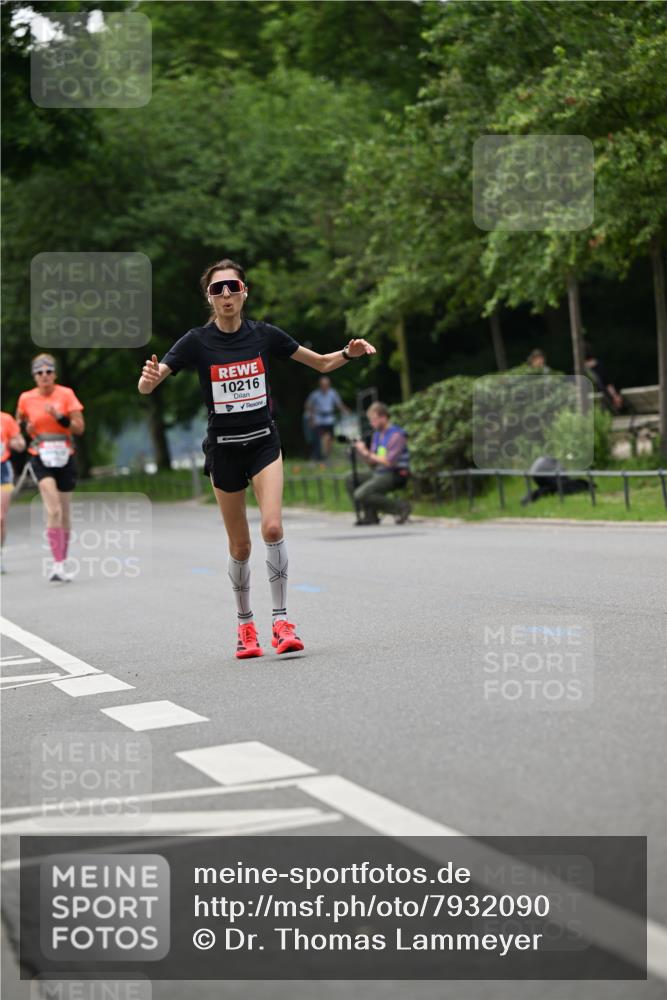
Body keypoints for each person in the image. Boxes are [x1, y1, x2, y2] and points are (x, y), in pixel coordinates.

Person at [138, 257, 375, 660]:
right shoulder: (196, 341)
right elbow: (151, 383)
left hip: (264, 442)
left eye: (233, 287)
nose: (226, 295)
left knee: (272, 526)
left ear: (245, 292)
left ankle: (282, 622)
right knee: (241, 545)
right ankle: (246, 626)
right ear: (209, 298)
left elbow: (319, 362)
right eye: (218, 289)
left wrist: (348, 354)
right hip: (224, 449)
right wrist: (149, 379)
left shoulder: (264, 335)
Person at [16, 355, 85, 582]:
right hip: (40, 456)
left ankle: (62, 561)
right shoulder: (26, 399)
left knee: (64, 512)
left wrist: (60, 417)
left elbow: (79, 428)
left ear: (54, 374)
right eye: (39, 372)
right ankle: (56, 564)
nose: (44, 375)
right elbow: (19, 429)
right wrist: (26, 428)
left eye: (48, 371)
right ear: (34, 376)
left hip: (65, 456)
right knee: (53, 509)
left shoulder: (66, 394)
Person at [345, 402, 410, 525]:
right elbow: (372, 462)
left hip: (395, 473)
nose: (371, 423)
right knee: (350, 478)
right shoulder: (377, 435)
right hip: (379, 472)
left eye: (373, 419)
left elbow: (389, 461)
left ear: (384, 417)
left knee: (360, 494)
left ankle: (400, 507)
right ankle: (370, 515)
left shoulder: (397, 435)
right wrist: (361, 452)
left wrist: (366, 452)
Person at [1, 411, 26, 573]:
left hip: (2, 471)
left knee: (1, 518)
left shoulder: (5, 419)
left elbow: (21, 443)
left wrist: (16, 442)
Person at [305, 375, 350, 461]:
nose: (325, 386)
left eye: (326, 384)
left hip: (329, 418)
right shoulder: (315, 394)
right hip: (318, 419)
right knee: (318, 439)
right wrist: (311, 418)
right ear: (320, 385)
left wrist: (345, 410)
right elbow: (308, 405)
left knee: (330, 437)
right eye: (323, 384)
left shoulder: (333, 393)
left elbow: (339, 404)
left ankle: (327, 455)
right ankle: (318, 456)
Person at [584, 342, 623, 413]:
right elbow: (608, 383)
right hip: (603, 398)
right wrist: (615, 396)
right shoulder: (599, 365)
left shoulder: (579, 368)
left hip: (587, 401)